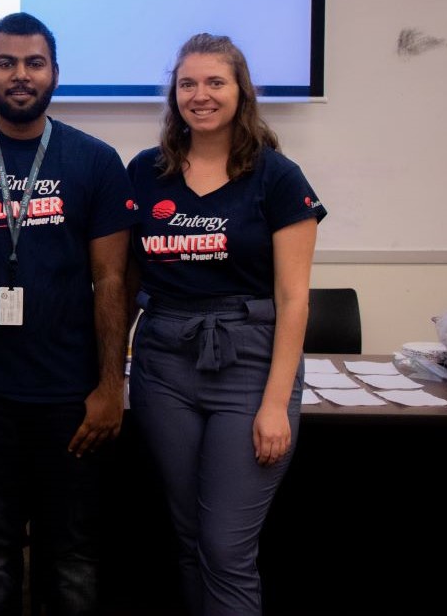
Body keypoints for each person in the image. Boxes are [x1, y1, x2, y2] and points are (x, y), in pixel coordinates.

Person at [0, 12, 135, 616]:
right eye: (6, 63)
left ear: (55, 74)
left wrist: (112, 386)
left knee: (74, 553)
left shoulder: (94, 161)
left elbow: (113, 280)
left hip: (73, 396)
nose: (20, 75)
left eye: (34, 63)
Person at [126, 33, 325, 616]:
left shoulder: (277, 177)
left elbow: (293, 299)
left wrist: (274, 404)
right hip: (163, 363)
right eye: (188, 83)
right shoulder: (146, 172)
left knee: (225, 545)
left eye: (216, 82)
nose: (200, 95)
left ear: (241, 91)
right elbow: (122, 280)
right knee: (188, 537)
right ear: (174, 94)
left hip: (249, 365)